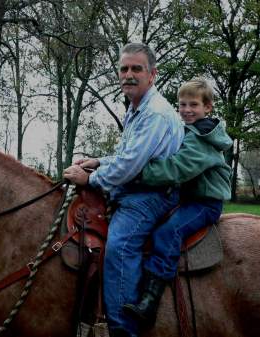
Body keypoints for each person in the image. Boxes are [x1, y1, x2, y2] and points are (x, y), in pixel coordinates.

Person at [63, 42, 184, 337]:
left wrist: (89, 179)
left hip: (151, 196)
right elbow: (126, 155)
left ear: (152, 75)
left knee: (119, 248)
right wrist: (97, 161)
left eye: (136, 69)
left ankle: (122, 329)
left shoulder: (155, 113)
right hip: (135, 188)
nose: (128, 75)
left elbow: (130, 165)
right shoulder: (136, 109)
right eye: (124, 69)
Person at [123, 78, 232, 327]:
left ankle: (150, 300)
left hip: (205, 203)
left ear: (208, 108)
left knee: (168, 232)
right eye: (182, 104)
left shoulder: (202, 138)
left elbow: (177, 169)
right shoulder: (186, 130)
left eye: (193, 104)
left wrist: (138, 173)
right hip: (188, 199)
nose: (186, 109)